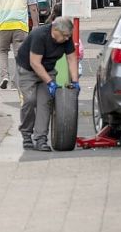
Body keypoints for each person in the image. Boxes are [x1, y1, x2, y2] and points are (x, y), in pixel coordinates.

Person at [15, 16, 79, 151]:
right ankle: (26, 134)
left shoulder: (66, 38)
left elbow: (72, 58)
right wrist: (50, 82)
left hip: (48, 69)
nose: (67, 39)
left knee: (45, 103)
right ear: (55, 30)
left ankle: (40, 139)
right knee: (30, 101)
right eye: (65, 36)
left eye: (69, 36)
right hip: (28, 70)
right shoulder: (39, 35)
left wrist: (75, 81)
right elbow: (35, 63)